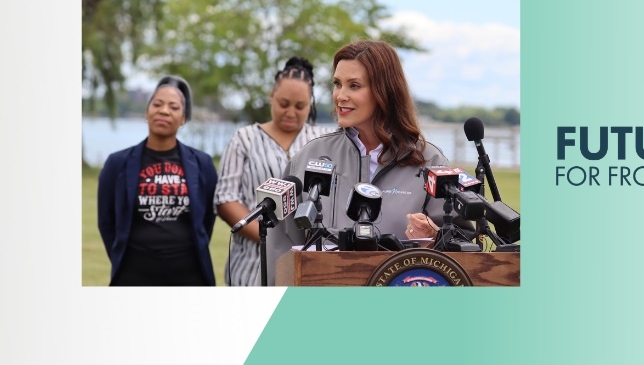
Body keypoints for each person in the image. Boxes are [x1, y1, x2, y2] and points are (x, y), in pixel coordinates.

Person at [276, 40, 475, 284]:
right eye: (337, 84)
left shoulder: (430, 161)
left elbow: (463, 247)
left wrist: (436, 237)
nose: (340, 96)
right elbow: (282, 242)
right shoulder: (311, 156)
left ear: (384, 91)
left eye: (354, 85)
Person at [214, 57, 334, 286]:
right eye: (283, 103)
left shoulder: (323, 141)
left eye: (300, 107)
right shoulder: (245, 139)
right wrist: (267, 236)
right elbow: (226, 198)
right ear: (271, 97)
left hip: (307, 258)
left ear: (311, 103)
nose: (290, 112)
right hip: (252, 263)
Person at [97, 76, 218, 286]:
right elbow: (107, 222)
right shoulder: (117, 164)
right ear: (147, 112)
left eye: (174, 107)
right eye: (157, 104)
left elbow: (206, 220)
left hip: (190, 276)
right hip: (133, 276)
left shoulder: (202, 164)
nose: (164, 111)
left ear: (183, 118)